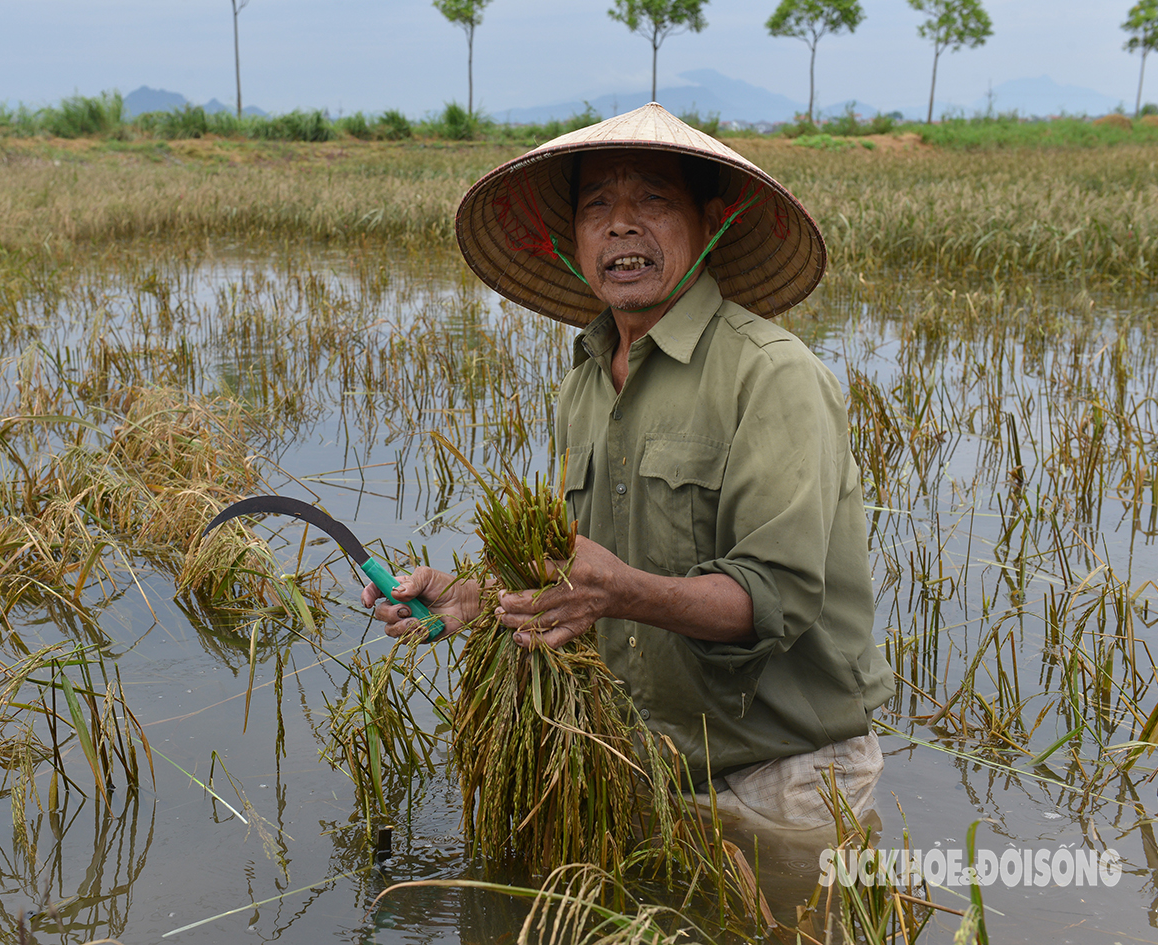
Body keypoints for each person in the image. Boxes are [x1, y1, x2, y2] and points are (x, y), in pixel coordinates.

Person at [363, 104, 895, 831]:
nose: (620, 225)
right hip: (647, 765)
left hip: (784, 778)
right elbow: (580, 577)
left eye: (653, 200)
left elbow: (776, 598)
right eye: (597, 206)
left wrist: (618, 590)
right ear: (573, 241)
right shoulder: (580, 386)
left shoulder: (771, 375)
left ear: (710, 222)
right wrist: (472, 598)